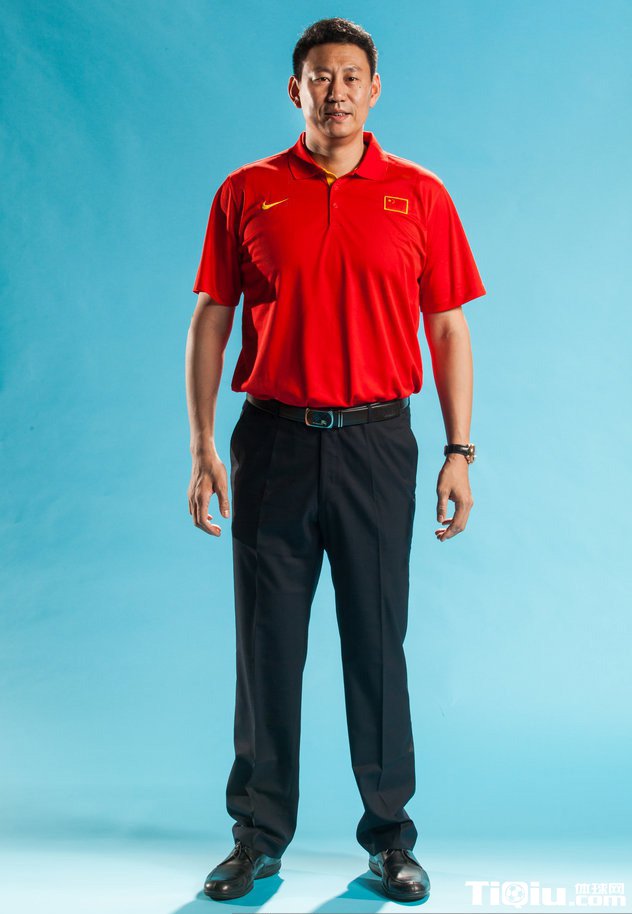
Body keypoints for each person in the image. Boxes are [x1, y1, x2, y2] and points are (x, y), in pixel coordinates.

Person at [186, 16, 486, 904]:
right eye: (321, 76)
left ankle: (390, 840)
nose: (338, 91)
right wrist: (201, 443)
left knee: (376, 644)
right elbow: (211, 319)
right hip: (273, 441)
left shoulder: (420, 195)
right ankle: (257, 839)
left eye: (353, 76)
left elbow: (447, 328)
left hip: (377, 444)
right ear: (297, 90)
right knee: (266, 647)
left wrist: (459, 450)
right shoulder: (247, 191)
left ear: (375, 89)